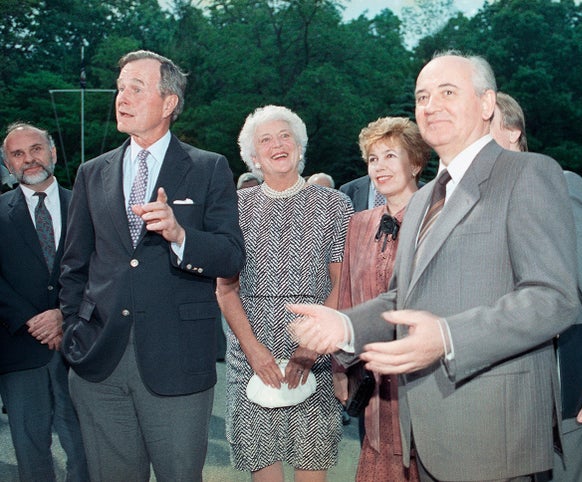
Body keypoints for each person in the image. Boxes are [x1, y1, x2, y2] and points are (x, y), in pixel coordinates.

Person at [289, 51, 579, 481]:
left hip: (492, 435)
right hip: (423, 433)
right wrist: (346, 327)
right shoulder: (425, 198)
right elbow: (403, 296)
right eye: (422, 96)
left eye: (447, 92)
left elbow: (553, 298)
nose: (430, 105)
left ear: (486, 104)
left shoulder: (528, 174)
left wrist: (446, 337)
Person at [59, 50, 245, 482]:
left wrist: (181, 236)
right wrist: (74, 332)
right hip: (98, 361)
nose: (121, 98)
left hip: (177, 361)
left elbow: (230, 256)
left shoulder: (208, 167)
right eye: (121, 88)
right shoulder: (91, 172)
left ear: (168, 104)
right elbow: (74, 265)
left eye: (136, 89)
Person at [491, 93, 582, 482]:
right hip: (498, 394)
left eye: (483, 126)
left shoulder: (560, 185)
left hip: (565, 388)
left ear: (512, 132)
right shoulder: (469, 200)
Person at [216, 105, 353, 481]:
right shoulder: (234, 209)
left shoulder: (335, 205)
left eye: (285, 136)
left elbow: (342, 284)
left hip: (314, 354)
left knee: (312, 465)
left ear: (299, 145)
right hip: (251, 357)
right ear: (253, 156)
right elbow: (226, 291)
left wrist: (311, 347)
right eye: (266, 140)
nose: (277, 145)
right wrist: (253, 350)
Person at [336, 117, 429, 481]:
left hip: (422, 376)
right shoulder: (359, 223)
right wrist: (341, 368)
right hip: (371, 380)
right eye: (373, 159)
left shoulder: (438, 219)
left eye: (391, 155)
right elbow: (347, 300)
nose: (380, 166)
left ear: (416, 163)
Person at [0, 123, 89, 481]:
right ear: (7, 164)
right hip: (19, 347)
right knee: (30, 449)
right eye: (17, 154)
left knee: (84, 448)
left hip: (81, 347)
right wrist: (33, 320)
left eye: (35, 149)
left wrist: (63, 315)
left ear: (52, 152)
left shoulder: (87, 205)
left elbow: (103, 269)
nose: (29, 160)